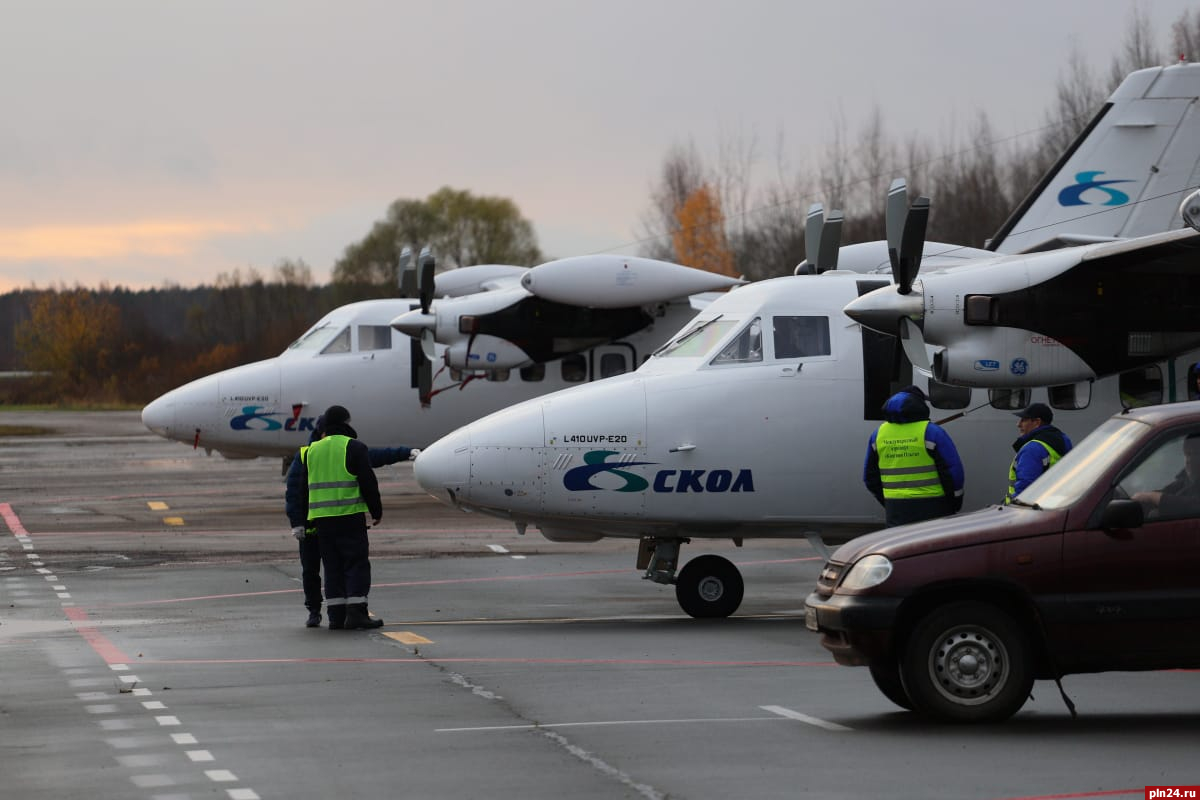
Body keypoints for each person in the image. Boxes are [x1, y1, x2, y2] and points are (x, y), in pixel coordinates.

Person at [285, 415, 419, 628]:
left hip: (321, 523)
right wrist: (376, 511)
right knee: (355, 564)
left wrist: (299, 521)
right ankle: (355, 613)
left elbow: (298, 490)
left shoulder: (310, 452)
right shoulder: (354, 448)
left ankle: (335, 617)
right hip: (349, 518)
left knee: (332, 568)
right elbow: (368, 482)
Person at [863, 385, 965, 527]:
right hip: (934, 507)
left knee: (901, 547)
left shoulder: (878, 435)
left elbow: (869, 478)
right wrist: (954, 502)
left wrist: (888, 501)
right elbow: (953, 473)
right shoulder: (932, 432)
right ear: (919, 405)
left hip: (896, 509)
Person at [1004, 402, 1072, 504]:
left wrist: (1015, 509)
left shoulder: (1032, 449)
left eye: (1024, 420)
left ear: (1037, 422)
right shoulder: (1063, 441)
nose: (1018, 424)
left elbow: (1025, 489)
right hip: (1054, 506)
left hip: (1028, 512)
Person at [1132, 434, 1200, 518]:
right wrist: (1144, 497)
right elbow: (1169, 491)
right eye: (1187, 454)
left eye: (1196, 454)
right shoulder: (1185, 480)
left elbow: (1193, 505)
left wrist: (1152, 497)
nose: (1189, 460)